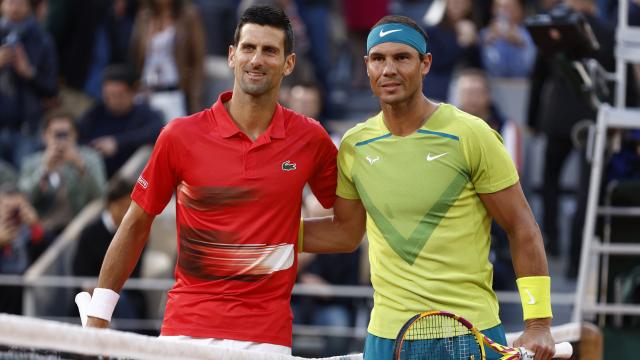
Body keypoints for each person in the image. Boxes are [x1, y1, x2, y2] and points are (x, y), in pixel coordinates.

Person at [79, 5, 337, 355]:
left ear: (288, 63)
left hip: (267, 338)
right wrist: (98, 316)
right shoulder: (180, 135)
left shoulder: (311, 139)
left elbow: (349, 229)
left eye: (269, 50)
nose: (256, 59)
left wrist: (281, 232)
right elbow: (135, 224)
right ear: (232, 56)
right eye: (248, 48)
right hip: (187, 331)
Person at [302, 15, 556, 360]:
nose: (388, 69)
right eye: (378, 59)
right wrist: (263, 229)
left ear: (425, 63)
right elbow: (345, 234)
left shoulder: (471, 134)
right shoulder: (354, 145)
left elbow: (522, 228)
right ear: (366, 66)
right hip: (386, 338)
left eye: (401, 58)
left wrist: (538, 322)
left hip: (469, 333)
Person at [18, 112, 107, 238]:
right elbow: (25, 200)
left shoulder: (90, 158)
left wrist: (80, 166)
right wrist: (44, 170)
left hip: (82, 227)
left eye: (65, 134)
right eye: (56, 134)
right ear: (44, 136)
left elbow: (101, 196)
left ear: (75, 134)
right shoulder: (31, 163)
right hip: (45, 230)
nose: (61, 139)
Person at [78, 64, 164, 178]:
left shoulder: (144, 113)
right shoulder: (95, 113)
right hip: (98, 173)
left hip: (131, 177)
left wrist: (117, 143)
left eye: (119, 95)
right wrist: (96, 147)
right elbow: (79, 137)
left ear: (132, 92)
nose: (113, 100)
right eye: (108, 95)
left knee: (146, 152)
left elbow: (157, 131)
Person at [0, 0, 58, 167]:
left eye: (20, 3)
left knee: (23, 185)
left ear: (29, 6)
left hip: (27, 129)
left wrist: (29, 73)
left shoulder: (42, 40)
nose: (14, 7)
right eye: (10, 2)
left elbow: (51, 89)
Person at [0, 183, 43, 314]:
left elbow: (50, 255)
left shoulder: (30, 230)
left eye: (16, 210)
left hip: (27, 295)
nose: (13, 215)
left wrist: (35, 226)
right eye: (7, 208)